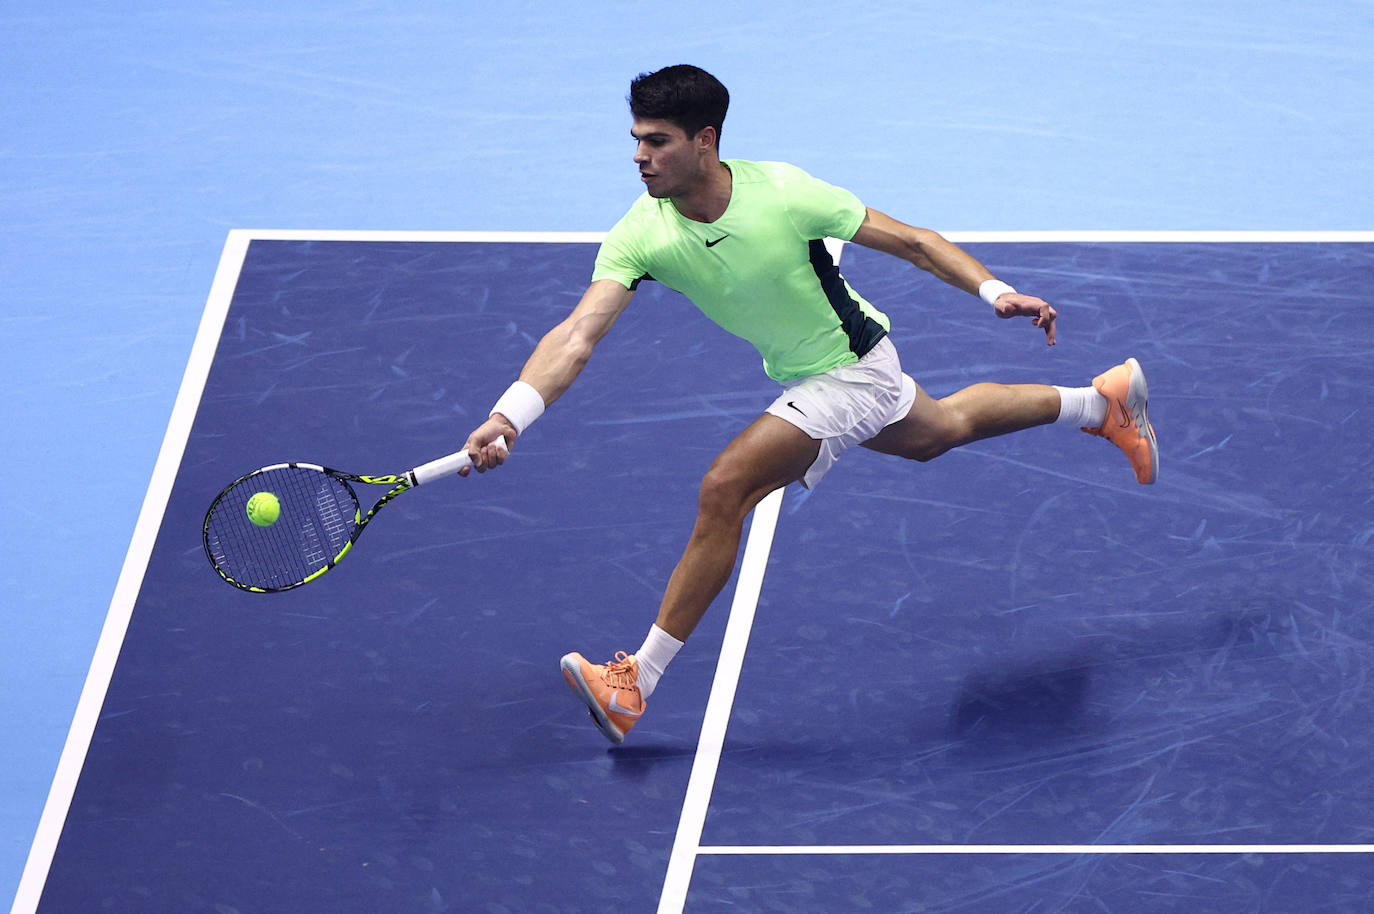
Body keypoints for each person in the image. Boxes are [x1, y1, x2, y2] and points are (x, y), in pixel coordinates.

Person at [460, 64, 1157, 745]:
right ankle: (1102, 404)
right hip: (814, 374)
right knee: (939, 429)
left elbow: (913, 241)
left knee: (726, 487)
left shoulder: (784, 193)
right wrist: (509, 416)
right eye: (636, 140)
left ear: (705, 140)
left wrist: (992, 290)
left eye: (657, 141)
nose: (639, 157)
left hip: (851, 370)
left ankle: (634, 681)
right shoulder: (641, 232)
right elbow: (577, 335)